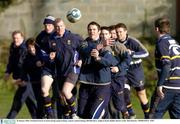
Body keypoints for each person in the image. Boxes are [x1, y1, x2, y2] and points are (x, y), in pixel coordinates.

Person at [77, 21, 118, 119]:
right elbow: (84, 51)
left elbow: (111, 62)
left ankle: (101, 113)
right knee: (82, 115)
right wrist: (99, 47)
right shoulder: (84, 43)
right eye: (90, 29)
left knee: (92, 116)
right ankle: (102, 114)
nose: (92, 31)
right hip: (86, 84)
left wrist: (99, 58)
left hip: (101, 85)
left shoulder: (106, 45)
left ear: (99, 31)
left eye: (94, 29)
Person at [115, 23, 150, 119]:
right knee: (124, 92)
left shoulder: (133, 41)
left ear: (125, 32)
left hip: (136, 70)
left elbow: (145, 53)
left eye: (120, 32)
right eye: (117, 32)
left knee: (141, 94)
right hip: (124, 71)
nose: (119, 34)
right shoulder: (115, 43)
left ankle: (147, 116)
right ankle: (131, 113)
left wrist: (132, 53)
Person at [51, 18, 83, 119]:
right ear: (54, 28)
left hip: (72, 70)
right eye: (57, 27)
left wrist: (81, 60)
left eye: (61, 26)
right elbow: (47, 53)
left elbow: (84, 48)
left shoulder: (74, 37)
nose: (59, 28)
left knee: (66, 91)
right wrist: (50, 56)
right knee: (63, 97)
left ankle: (74, 113)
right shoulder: (52, 40)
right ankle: (67, 116)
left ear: (64, 26)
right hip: (60, 72)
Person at [4, 30, 37, 119]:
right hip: (22, 79)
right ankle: (40, 119)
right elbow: (12, 61)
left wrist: (24, 79)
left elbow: (24, 65)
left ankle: (8, 120)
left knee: (18, 101)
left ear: (22, 38)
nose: (15, 40)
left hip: (27, 80)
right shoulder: (14, 47)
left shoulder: (25, 48)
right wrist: (8, 72)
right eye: (14, 38)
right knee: (31, 104)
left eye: (17, 38)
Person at [151, 17, 180, 119]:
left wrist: (160, 85)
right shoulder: (175, 42)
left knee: (152, 117)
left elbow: (166, 64)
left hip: (167, 87)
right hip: (178, 87)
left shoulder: (162, 42)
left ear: (157, 29)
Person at [100, 26, 131, 119]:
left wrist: (118, 68)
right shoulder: (98, 46)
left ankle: (126, 113)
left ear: (110, 35)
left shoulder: (118, 45)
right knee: (107, 105)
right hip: (104, 80)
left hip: (117, 79)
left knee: (118, 105)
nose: (104, 36)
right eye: (102, 34)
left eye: (106, 34)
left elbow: (128, 59)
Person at [36, 15, 61, 119]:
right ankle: (49, 113)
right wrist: (39, 60)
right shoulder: (40, 36)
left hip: (60, 69)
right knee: (44, 90)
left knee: (59, 96)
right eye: (46, 25)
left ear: (54, 25)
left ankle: (63, 117)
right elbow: (38, 52)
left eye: (50, 25)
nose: (47, 27)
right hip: (47, 68)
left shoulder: (60, 34)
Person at [108, 25, 136, 119]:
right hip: (108, 79)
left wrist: (118, 68)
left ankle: (129, 113)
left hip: (121, 77)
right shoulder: (105, 45)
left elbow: (127, 60)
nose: (113, 35)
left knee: (124, 96)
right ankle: (124, 114)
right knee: (111, 105)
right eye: (110, 33)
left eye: (114, 33)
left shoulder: (120, 46)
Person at [22, 38, 48, 118]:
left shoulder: (41, 54)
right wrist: (35, 64)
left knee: (44, 101)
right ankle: (38, 118)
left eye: (32, 47)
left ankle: (46, 116)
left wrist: (42, 63)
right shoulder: (26, 57)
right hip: (33, 83)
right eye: (29, 47)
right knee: (35, 102)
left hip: (43, 82)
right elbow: (25, 66)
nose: (31, 49)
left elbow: (47, 61)